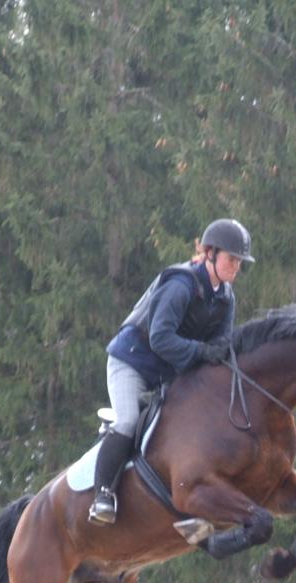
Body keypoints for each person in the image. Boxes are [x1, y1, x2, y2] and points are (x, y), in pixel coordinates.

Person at [88, 218, 255, 525]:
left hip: (169, 373)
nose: (236, 268)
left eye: (239, 262)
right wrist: (202, 351)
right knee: (127, 421)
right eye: (232, 259)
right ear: (209, 253)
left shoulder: (225, 298)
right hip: (132, 364)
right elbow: (160, 339)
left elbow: (219, 345)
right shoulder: (181, 285)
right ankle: (102, 495)